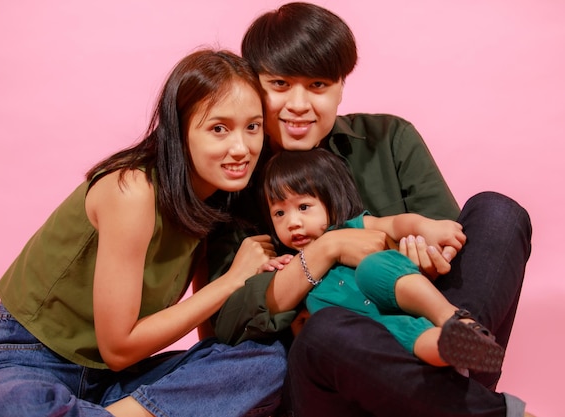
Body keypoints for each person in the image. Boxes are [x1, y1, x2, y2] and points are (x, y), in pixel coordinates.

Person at [205, 2, 533, 417]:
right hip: (331, 378)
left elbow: (452, 255)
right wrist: (327, 249)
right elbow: (227, 325)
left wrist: (426, 253)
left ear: (342, 85)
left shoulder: (389, 137)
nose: (299, 104)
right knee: (327, 329)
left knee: (498, 211)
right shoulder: (235, 177)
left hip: (428, 338)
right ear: (254, 85)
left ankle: (446, 385)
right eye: (281, 83)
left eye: (319, 85)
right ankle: (468, 405)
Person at [0, 49, 288, 417]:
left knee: (267, 362)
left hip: (119, 387)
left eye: (253, 127)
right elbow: (118, 348)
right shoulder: (133, 191)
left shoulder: (218, 197)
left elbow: (206, 338)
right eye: (218, 129)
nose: (241, 148)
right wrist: (232, 281)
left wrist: (212, 373)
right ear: (179, 132)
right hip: (33, 360)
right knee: (11, 407)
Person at [260, 148, 506, 373]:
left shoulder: (351, 227)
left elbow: (395, 224)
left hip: (393, 298)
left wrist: (424, 226)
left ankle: (451, 317)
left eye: (303, 207)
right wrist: (272, 267)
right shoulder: (294, 265)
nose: (292, 222)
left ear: (330, 202)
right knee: (413, 336)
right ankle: (454, 352)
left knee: (373, 267)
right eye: (279, 213)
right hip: (368, 335)